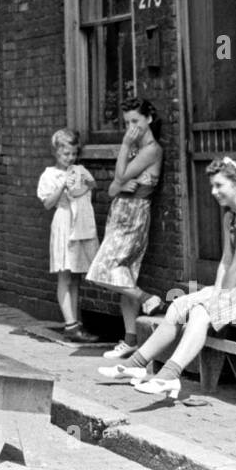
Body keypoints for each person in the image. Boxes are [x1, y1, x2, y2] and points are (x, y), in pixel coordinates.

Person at [99, 158, 236, 399]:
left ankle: (169, 376)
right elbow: (226, 261)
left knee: (201, 312)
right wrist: (216, 291)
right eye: (213, 186)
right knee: (178, 305)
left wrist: (218, 300)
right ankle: (136, 364)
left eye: (219, 185)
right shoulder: (231, 216)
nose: (214, 192)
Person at [84, 97, 164, 359]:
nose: (131, 128)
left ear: (148, 119)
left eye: (136, 121)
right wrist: (120, 184)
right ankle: (130, 339)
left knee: (103, 270)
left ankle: (146, 298)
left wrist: (125, 145)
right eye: (127, 123)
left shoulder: (150, 149)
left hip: (134, 214)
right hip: (119, 212)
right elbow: (112, 188)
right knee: (124, 276)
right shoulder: (134, 151)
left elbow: (119, 177)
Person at [37, 129, 99, 344]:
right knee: (64, 273)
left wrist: (84, 182)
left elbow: (91, 190)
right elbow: (47, 204)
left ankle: (75, 323)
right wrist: (63, 185)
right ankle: (70, 324)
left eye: (73, 154)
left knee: (76, 275)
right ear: (56, 153)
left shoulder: (78, 170)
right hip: (63, 222)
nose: (70, 158)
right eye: (66, 155)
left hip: (79, 224)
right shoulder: (50, 175)